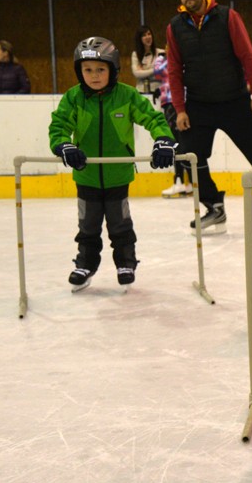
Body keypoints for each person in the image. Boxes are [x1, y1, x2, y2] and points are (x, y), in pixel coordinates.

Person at [165, 0, 252, 234]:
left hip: (234, 101)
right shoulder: (175, 27)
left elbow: (247, 56)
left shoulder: (227, 17)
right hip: (199, 104)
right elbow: (174, 70)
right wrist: (180, 109)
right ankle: (214, 206)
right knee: (190, 157)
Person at [47, 36, 176, 290]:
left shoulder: (126, 96)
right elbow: (59, 125)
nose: (94, 75)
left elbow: (153, 118)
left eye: (100, 70)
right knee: (88, 225)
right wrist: (63, 145)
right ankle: (85, 263)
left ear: (113, 70)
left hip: (118, 174)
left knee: (120, 224)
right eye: (88, 70)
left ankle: (126, 262)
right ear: (79, 71)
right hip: (86, 175)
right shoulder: (74, 98)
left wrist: (163, 139)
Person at [152, 49, 193, 198]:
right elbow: (160, 75)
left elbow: (158, 72)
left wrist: (161, 57)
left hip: (174, 103)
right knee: (182, 141)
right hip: (176, 102)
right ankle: (186, 183)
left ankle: (180, 182)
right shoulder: (179, 60)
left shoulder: (174, 61)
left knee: (178, 142)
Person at [130, 25, 163, 100]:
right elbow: (137, 73)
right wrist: (155, 70)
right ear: (139, 39)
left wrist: (144, 71)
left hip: (158, 94)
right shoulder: (135, 55)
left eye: (149, 34)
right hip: (141, 94)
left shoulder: (161, 53)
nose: (148, 37)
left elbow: (162, 73)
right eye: (144, 35)